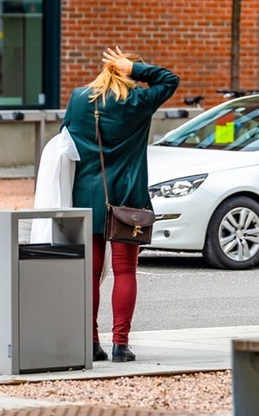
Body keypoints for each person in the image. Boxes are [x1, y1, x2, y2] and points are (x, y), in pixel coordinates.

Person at [64, 47, 179, 363]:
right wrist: (136, 68)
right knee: (125, 270)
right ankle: (120, 345)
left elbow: (67, 140)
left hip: (87, 197)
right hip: (128, 199)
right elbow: (169, 80)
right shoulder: (137, 102)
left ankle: (90, 343)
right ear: (127, 75)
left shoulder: (78, 99)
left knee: (90, 272)